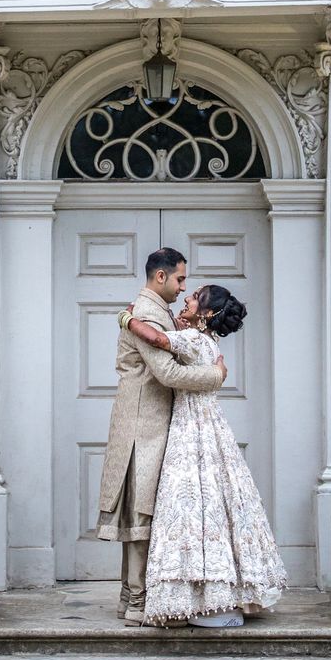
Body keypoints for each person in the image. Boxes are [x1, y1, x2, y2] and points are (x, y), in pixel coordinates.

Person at [121, 282, 287, 627]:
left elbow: (158, 340)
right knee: (215, 500)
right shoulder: (210, 344)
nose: (186, 297)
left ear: (207, 313)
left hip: (191, 426)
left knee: (189, 503)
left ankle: (195, 596)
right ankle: (215, 592)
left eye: (195, 297)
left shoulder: (196, 340)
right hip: (210, 423)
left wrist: (127, 319)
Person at [95, 247, 227, 625]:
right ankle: (137, 605)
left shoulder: (156, 313)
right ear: (160, 277)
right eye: (180, 279)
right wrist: (215, 377)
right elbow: (167, 375)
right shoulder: (148, 313)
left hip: (153, 422)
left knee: (146, 512)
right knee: (141, 515)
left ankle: (130, 598)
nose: (183, 286)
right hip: (143, 425)